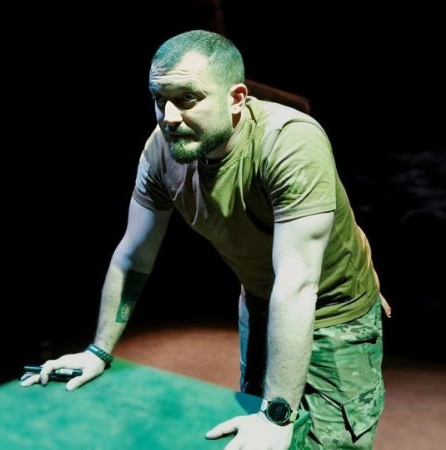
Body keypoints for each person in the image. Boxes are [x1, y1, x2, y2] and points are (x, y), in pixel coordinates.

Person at [21, 30, 391, 449]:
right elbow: (133, 255)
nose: (169, 116)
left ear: (236, 99)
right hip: (262, 302)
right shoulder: (162, 149)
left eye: (188, 98)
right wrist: (98, 351)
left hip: (336, 312)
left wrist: (278, 414)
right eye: (159, 99)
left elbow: (297, 283)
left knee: (321, 441)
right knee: (253, 433)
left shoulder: (289, 141)